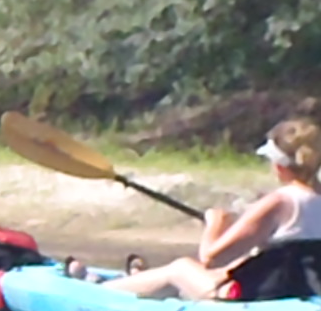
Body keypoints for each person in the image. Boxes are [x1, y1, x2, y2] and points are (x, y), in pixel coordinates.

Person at [103, 118, 321, 300]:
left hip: (259, 295)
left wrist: (214, 225)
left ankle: (98, 293)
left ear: (279, 166)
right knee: (221, 271)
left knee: (181, 268)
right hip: (304, 291)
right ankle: (135, 280)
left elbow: (211, 258)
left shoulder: (278, 202)